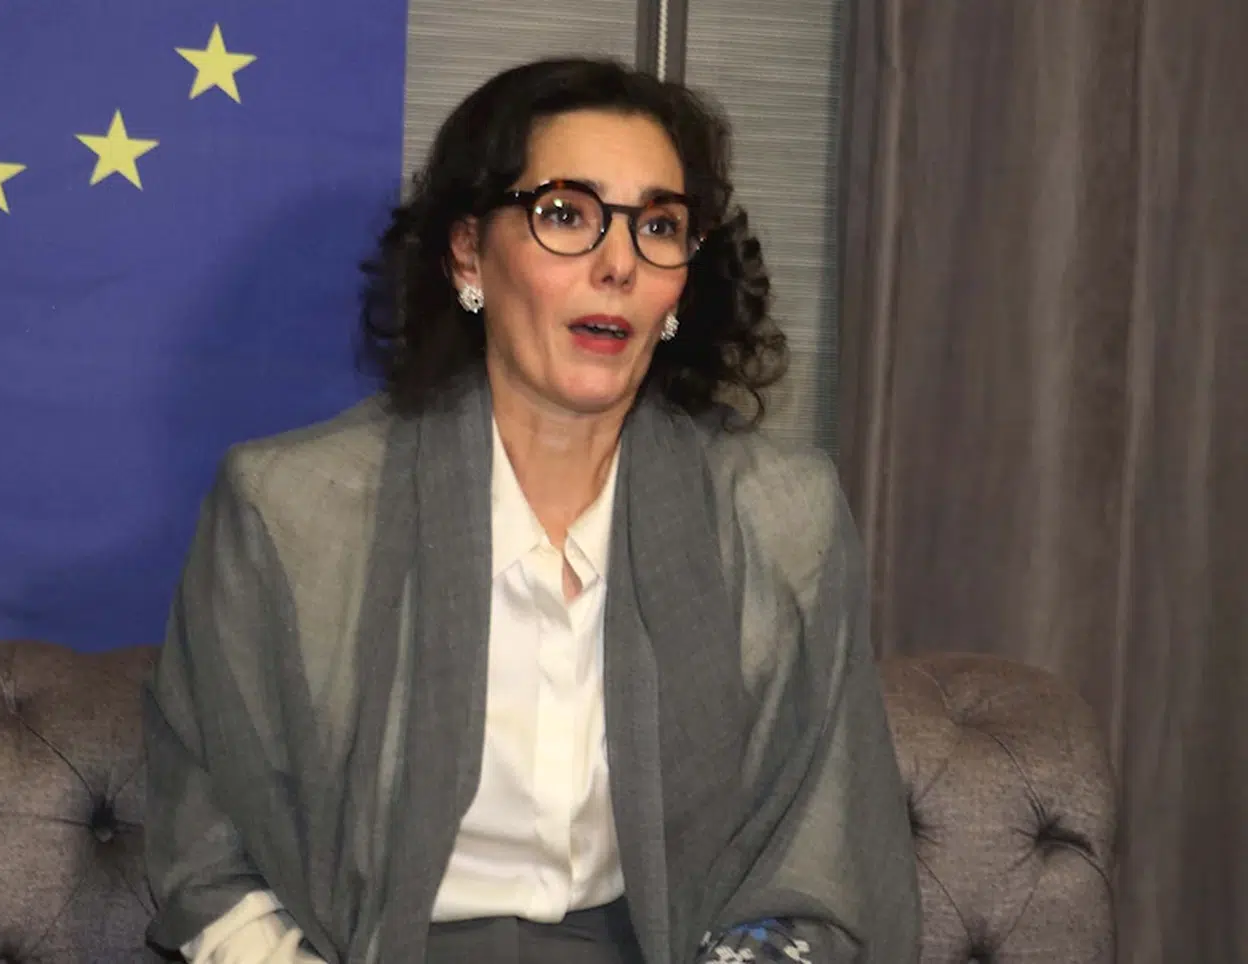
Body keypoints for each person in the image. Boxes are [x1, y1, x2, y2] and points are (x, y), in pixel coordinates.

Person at [143, 57, 920, 964]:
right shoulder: (288, 513)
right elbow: (209, 856)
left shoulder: (781, 520)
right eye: (566, 215)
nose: (618, 264)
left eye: (658, 226)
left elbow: (819, 863)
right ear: (468, 252)